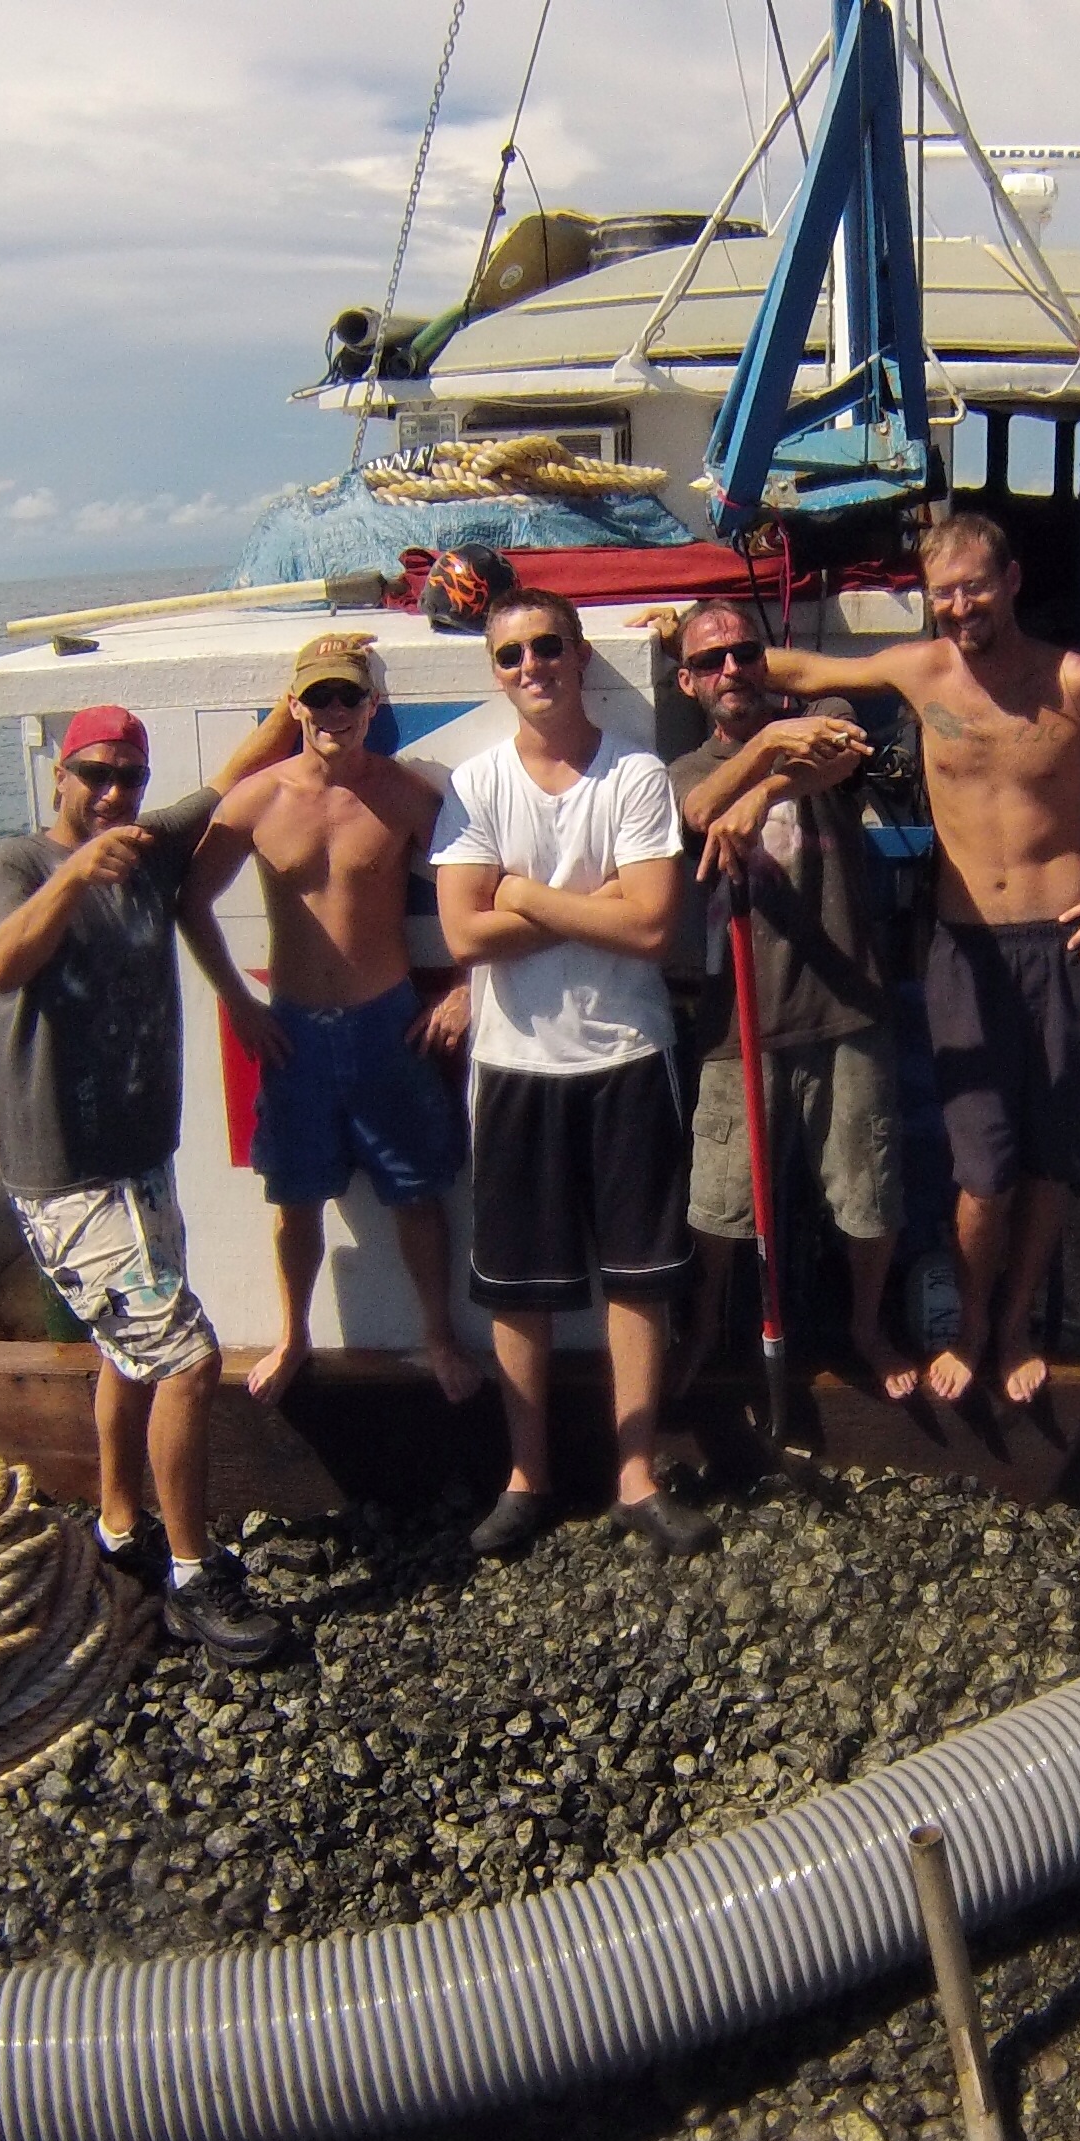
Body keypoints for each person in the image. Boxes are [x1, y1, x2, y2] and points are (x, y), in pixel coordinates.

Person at [764, 511, 1080, 1406]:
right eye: (943, 592)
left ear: (1013, 582)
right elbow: (801, 669)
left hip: (1070, 942)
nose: (960, 607)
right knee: (982, 1164)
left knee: (1050, 1159)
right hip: (967, 951)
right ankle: (965, 1321)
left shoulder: (1075, 682)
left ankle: (1014, 1323)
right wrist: (697, 639)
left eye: (976, 587)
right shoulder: (921, 672)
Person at [0, 701, 293, 1665]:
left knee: (128, 1355)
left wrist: (297, 698)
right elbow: (1, 964)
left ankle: (120, 1529)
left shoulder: (148, 845)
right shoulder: (16, 867)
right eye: (95, 774)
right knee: (189, 1361)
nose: (113, 793)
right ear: (60, 776)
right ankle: (192, 1575)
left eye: (130, 777)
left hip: (140, 1158)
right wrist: (72, 876)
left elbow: (232, 776)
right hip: (68, 1177)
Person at [431, 588, 716, 1561]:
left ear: (578, 651)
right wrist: (573, 902)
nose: (529, 668)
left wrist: (517, 890)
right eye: (508, 656)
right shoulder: (473, 786)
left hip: (627, 1056)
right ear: (495, 672)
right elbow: (464, 934)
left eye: (544, 646)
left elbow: (649, 928)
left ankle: (635, 1476)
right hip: (513, 1066)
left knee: (638, 1279)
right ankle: (527, 1476)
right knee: (517, 1288)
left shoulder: (635, 776)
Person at [178, 635, 482, 1412]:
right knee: (295, 1199)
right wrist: (239, 1003)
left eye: (349, 697)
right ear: (295, 708)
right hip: (294, 1034)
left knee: (416, 1194)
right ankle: (293, 1334)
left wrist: (464, 985)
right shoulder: (257, 800)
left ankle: (438, 1334)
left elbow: (486, 883)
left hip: (390, 1025)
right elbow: (189, 900)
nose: (335, 712)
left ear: (371, 706)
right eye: (319, 698)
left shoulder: (406, 795)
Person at [657, 597, 917, 1403]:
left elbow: (839, 755)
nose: (731, 669)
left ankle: (867, 1326)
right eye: (709, 661)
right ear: (688, 682)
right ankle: (703, 1329)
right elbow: (698, 813)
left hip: (848, 1009)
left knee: (869, 1193)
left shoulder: (825, 717)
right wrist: (767, 748)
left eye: (744, 652)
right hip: (737, 1023)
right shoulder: (684, 770)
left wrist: (763, 793)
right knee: (719, 1205)